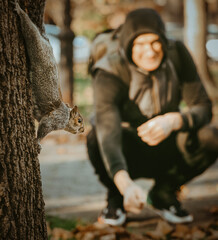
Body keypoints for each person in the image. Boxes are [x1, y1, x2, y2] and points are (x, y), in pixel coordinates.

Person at [86, 8, 217, 225]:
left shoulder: (177, 54)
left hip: (168, 143)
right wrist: (124, 184)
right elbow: (107, 130)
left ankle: (163, 194)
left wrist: (175, 120)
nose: (150, 51)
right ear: (128, 45)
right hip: (125, 148)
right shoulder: (108, 69)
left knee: (211, 137)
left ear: (164, 40)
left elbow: (203, 107)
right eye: (140, 44)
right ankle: (117, 197)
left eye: (155, 41)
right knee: (95, 137)